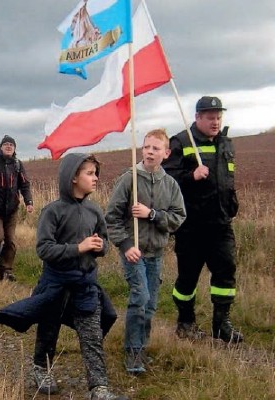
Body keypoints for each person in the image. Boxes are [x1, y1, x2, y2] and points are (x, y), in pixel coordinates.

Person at [0, 154, 126, 400]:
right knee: (48, 329)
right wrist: (78, 248)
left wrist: (100, 247)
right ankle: (41, 369)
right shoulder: (52, 211)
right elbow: (44, 249)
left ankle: (99, 388)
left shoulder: (95, 210)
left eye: (96, 173)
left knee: (92, 336)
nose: (95, 178)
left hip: (85, 285)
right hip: (55, 284)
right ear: (73, 177)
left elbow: (104, 241)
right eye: (89, 173)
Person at [161, 96, 243, 344]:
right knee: (188, 277)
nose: (215, 121)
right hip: (190, 225)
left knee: (226, 272)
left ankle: (221, 325)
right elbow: (166, 179)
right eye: (210, 117)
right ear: (197, 118)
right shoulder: (181, 142)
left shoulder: (225, 143)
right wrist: (190, 176)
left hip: (220, 223)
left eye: (218, 116)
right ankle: (185, 322)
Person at [105, 129, 186, 374]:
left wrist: (152, 214)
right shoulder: (129, 178)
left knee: (150, 304)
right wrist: (126, 245)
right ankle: (132, 352)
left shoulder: (170, 184)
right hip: (134, 251)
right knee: (139, 299)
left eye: (156, 148)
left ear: (166, 153)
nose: (150, 152)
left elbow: (178, 217)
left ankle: (142, 347)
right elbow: (112, 217)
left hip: (156, 253)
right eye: (147, 147)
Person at [0, 135, 33, 281]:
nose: (9, 146)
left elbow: (24, 185)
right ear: (1, 147)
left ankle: (6, 268)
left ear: (14, 148)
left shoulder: (18, 164)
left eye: (11, 145)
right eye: (6, 144)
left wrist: (28, 201)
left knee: (10, 240)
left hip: (12, 209)